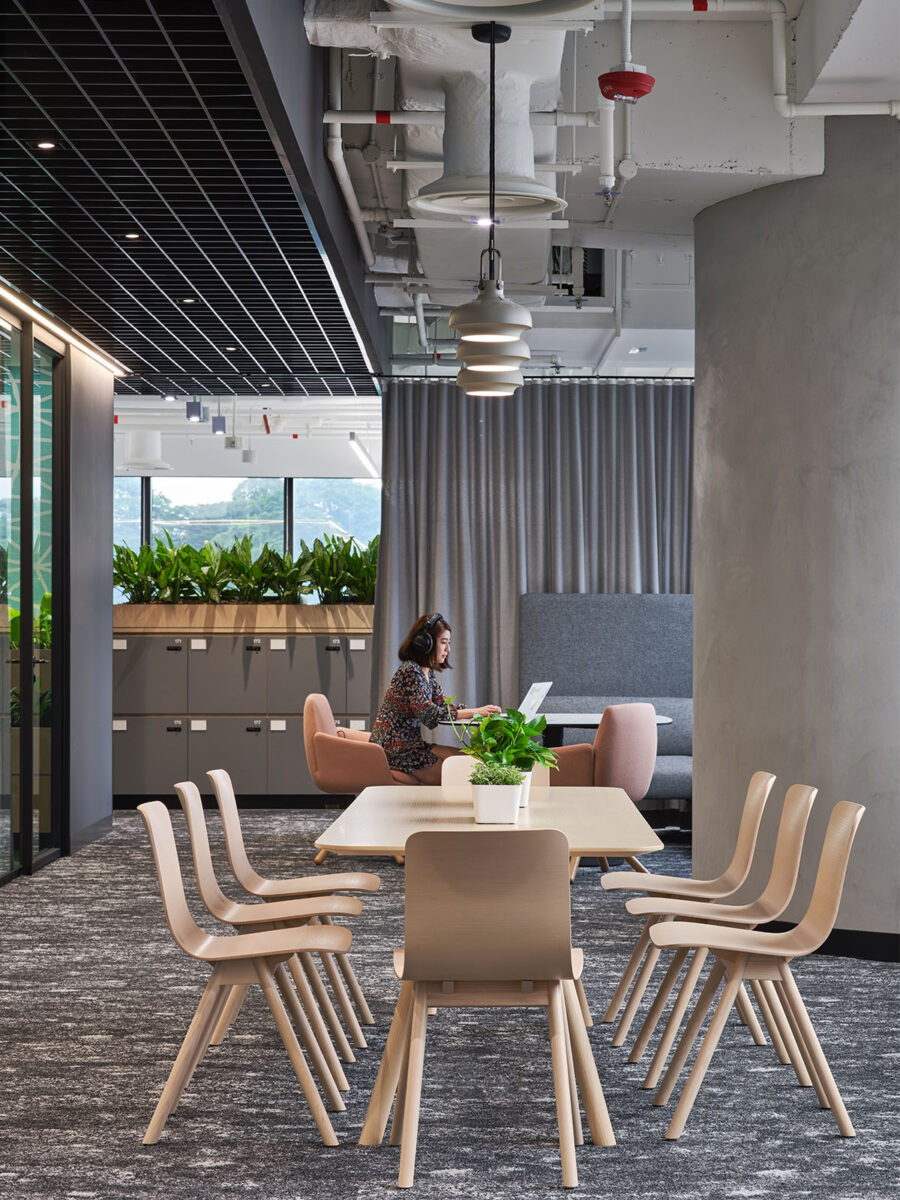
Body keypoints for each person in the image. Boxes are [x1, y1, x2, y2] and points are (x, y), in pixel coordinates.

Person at [370, 613, 501, 784]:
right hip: (396, 751)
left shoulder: (426, 672)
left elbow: (441, 705)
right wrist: (475, 711)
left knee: (465, 759)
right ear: (425, 643)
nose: (448, 649)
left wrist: (475, 712)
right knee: (459, 776)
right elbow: (429, 713)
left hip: (412, 745)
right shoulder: (411, 671)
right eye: (443, 643)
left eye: (449, 643)